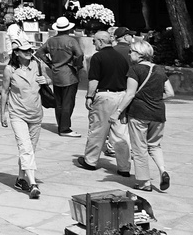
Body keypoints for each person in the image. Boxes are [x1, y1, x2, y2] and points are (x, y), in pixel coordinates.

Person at [115, 38, 174, 192]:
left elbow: (129, 94)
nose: (129, 55)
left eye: (131, 51)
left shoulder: (135, 70)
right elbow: (170, 93)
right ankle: (162, 170)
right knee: (155, 145)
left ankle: (144, 183)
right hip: (158, 113)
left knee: (139, 148)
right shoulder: (159, 69)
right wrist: (155, 98)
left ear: (139, 54)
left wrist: (118, 112)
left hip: (139, 114)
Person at [0, 32, 52, 200]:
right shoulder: (9, 70)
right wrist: (3, 113)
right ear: (16, 52)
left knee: (30, 149)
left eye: (30, 50)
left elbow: (53, 78)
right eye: (24, 50)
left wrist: (46, 81)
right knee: (25, 147)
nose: (29, 52)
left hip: (36, 114)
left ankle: (21, 178)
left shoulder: (37, 64)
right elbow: (4, 91)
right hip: (17, 114)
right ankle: (33, 184)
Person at [75, 29, 132, 175]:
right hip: (121, 96)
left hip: (105, 96)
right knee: (120, 134)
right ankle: (124, 167)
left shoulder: (97, 57)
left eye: (94, 41)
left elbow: (94, 80)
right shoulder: (120, 57)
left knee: (98, 130)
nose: (93, 44)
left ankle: (90, 161)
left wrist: (89, 96)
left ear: (100, 41)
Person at [43, 16, 84, 136]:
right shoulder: (71, 41)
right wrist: (77, 65)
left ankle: (61, 125)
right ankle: (65, 128)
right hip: (69, 74)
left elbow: (40, 52)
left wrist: (49, 63)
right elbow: (80, 54)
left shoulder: (51, 41)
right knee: (68, 102)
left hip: (56, 73)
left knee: (59, 102)